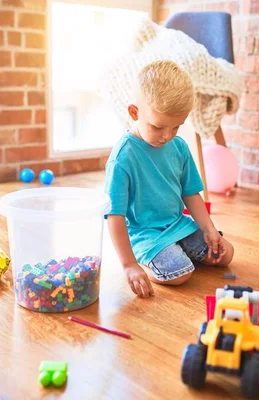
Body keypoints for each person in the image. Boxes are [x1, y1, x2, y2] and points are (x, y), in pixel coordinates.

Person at [104, 60, 234, 298]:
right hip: (145, 235)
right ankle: (144, 260)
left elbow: (190, 193)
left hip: (177, 225)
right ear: (135, 112)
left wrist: (209, 229)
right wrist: (129, 265)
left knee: (226, 254)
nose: (167, 136)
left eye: (177, 127)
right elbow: (115, 216)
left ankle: (177, 250)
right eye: (158, 126)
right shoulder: (123, 157)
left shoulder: (178, 146)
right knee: (180, 274)